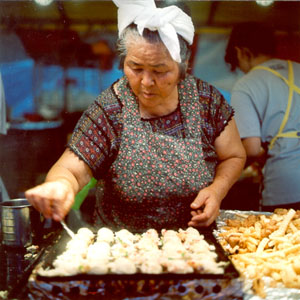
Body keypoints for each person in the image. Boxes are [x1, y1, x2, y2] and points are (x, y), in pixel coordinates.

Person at [25, 0, 246, 232]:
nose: (146, 82)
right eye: (136, 68)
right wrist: (60, 186)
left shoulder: (206, 101)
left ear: (184, 66)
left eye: (160, 71)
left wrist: (217, 191)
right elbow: (69, 170)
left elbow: (233, 155)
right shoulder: (111, 109)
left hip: (195, 248)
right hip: (123, 251)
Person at [225, 22, 300, 212]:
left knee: (284, 240)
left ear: (241, 52)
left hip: (286, 186)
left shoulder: (246, 84)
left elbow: (251, 148)